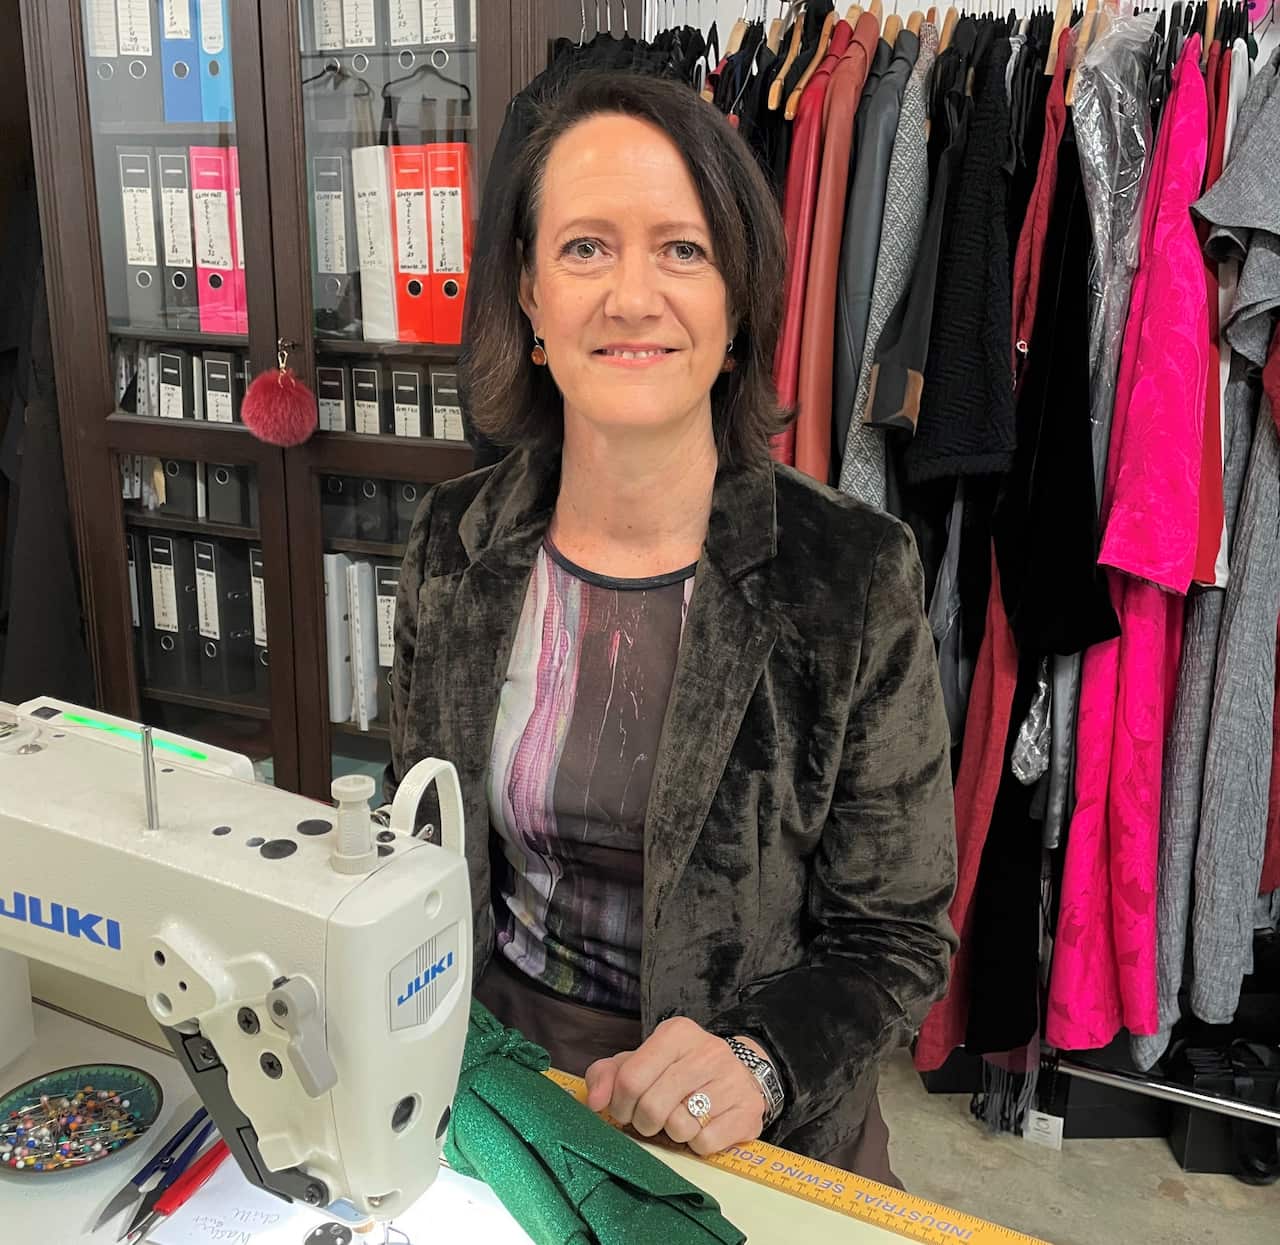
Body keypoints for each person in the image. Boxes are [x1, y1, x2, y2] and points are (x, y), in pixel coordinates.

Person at [389, 71, 957, 1185]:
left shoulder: (847, 573)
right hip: (491, 1080)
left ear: (738, 305)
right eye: (586, 248)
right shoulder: (453, 542)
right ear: (530, 297)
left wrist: (759, 1057)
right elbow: (419, 850)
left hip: (750, 1126)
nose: (631, 295)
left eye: (681, 251)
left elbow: (894, 936)